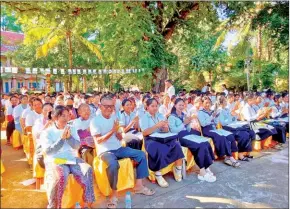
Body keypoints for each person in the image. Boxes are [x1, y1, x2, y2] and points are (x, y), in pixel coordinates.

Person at [90, 94, 155, 208]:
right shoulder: (95, 121)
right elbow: (99, 140)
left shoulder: (114, 118)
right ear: (100, 106)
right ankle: (114, 194)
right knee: (113, 164)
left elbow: (120, 137)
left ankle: (139, 186)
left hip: (118, 148)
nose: (109, 109)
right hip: (105, 151)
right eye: (106, 106)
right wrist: (112, 131)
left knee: (141, 154)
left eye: (112, 106)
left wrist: (118, 133)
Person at [40, 105, 95, 208]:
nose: (66, 118)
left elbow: (77, 146)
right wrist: (61, 139)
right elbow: (48, 151)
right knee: (61, 175)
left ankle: (87, 202)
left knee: (87, 170)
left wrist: (69, 138)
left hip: (71, 158)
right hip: (56, 159)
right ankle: (54, 205)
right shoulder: (47, 132)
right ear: (56, 117)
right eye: (63, 116)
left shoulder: (72, 128)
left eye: (67, 115)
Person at [168, 98, 216, 182]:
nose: (181, 106)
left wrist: (189, 122)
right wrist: (184, 123)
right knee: (199, 145)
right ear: (175, 105)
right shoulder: (171, 117)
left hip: (187, 134)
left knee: (205, 142)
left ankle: (206, 166)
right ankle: (202, 171)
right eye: (179, 105)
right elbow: (173, 131)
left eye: (183, 105)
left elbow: (188, 129)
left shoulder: (183, 115)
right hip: (179, 138)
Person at [139, 98, 184, 187]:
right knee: (157, 148)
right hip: (150, 139)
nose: (155, 108)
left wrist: (165, 128)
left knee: (176, 144)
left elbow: (166, 130)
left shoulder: (160, 115)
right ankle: (158, 174)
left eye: (156, 106)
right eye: (152, 106)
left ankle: (178, 169)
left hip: (162, 137)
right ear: (147, 107)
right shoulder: (143, 117)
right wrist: (157, 126)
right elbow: (144, 132)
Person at [198, 97, 241, 168]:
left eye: (209, 103)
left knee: (230, 135)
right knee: (221, 137)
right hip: (207, 130)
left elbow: (215, 123)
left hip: (214, 128)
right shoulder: (201, 112)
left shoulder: (212, 111)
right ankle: (229, 157)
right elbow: (203, 124)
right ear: (202, 104)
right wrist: (212, 117)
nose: (208, 104)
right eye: (206, 103)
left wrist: (216, 117)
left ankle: (231, 155)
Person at [215, 96, 254, 161]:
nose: (226, 101)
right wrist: (231, 117)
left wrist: (235, 115)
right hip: (226, 128)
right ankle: (240, 154)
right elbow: (223, 123)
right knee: (244, 134)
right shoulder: (219, 111)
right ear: (221, 103)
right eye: (225, 100)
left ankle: (247, 152)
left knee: (251, 132)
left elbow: (233, 119)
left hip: (233, 125)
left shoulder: (227, 109)